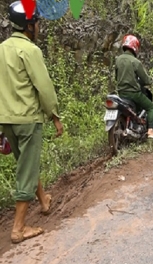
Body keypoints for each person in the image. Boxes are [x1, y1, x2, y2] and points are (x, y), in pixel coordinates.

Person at [0, 1, 64, 244]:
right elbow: (44, 88)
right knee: (26, 168)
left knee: (26, 162)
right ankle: (18, 228)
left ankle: (44, 200)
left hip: (6, 119)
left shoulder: (2, 49)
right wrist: (55, 116)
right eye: (37, 23)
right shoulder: (30, 51)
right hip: (27, 118)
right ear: (29, 25)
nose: (39, 27)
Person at [115, 34, 153, 140]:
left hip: (121, 93)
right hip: (133, 93)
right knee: (151, 107)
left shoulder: (118, 60)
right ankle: (151, 131)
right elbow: (145, 80)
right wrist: (151, 80)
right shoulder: (135, 62)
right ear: (135, 47)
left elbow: (116, 77)